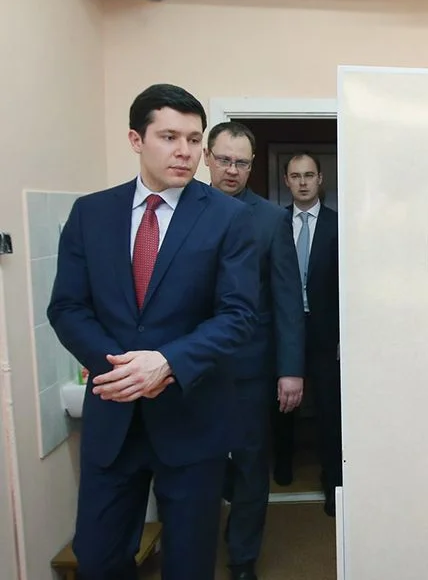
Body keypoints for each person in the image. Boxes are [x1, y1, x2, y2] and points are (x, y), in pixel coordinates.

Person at [46, 84, 260, 580]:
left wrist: (166, 362)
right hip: (114, 420)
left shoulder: (229, 218)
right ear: (136, 139)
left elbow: (238, 315)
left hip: (192, 418)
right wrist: (121, 368)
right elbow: (67, 307)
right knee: (98, 559)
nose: (184, 151)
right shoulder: (91, 214)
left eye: (193, 139)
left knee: (189, 564)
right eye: (169, 137)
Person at [205, 121, 305, 580]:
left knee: (249, 465)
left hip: (249, 367)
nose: (232, 170)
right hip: (191, 368)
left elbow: (287, 298)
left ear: (251, 166)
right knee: (198, 460)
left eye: (241, 163)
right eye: (224, 160)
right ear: (207, 158)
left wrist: (290, 369)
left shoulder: (270, 219)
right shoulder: (181, 211)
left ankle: (243, 558)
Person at [273, 152, 341, 516]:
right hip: (285, 327)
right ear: (286, 180)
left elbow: (346, 286)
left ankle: (333, 483)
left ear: (319, 179)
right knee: (283, 403)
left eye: (309, 175)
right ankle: (282, 467)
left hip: (325, 330)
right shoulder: (274, 223)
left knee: (330, 409)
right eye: (296, 176)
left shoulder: (338, 225)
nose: (302, 182)